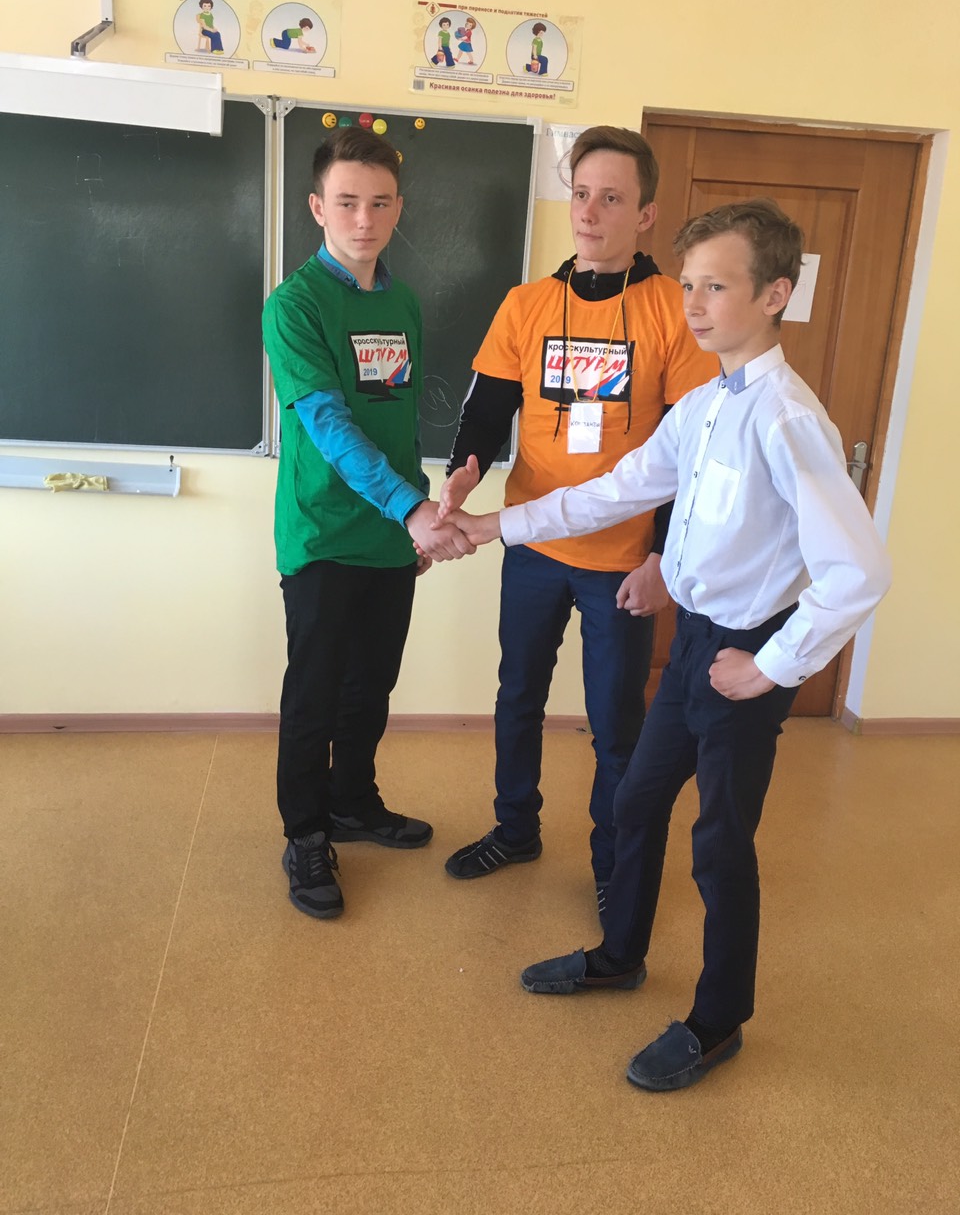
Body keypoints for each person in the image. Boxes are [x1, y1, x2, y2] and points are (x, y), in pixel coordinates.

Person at [447, 199, 892, 1091]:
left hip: (745, 658)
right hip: (692, 644)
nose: (693, 304)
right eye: (688, 284)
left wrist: (769, 667)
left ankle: (718, 1022)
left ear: (775, 295)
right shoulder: (702, 406)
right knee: (638, 801)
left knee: (720, 844)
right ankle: (619, 956)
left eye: (716, 287)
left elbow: (860, 572)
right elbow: (616, 490)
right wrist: (494, 526)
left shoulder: (787, 419)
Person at [438, 127, 715, 904]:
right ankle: (515, 829)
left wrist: (662, 559)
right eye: (582, 194)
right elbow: (485, 412)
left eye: (612, 198)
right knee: (517, 697)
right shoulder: (527, 304)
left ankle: (612, 864)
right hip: (532, 544)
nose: (589, 213)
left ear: (646, 215)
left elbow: (691, 454)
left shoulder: (674, 311)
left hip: (622, 561)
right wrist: (462, 475)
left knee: (616, 723)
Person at [262, 126, 475, 920]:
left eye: (380, 203)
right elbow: (329, 424)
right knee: (313, 694)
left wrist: (413, 514)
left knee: (371, 686)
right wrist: (409, 509)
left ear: (398, 209)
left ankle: (352, 801)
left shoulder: (403, 301)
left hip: (390, 534)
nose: (364, 219)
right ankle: (306, 832)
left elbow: (396, 422)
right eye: (347, 202)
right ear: (318, 207)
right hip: (322, 534)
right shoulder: (293, 305)